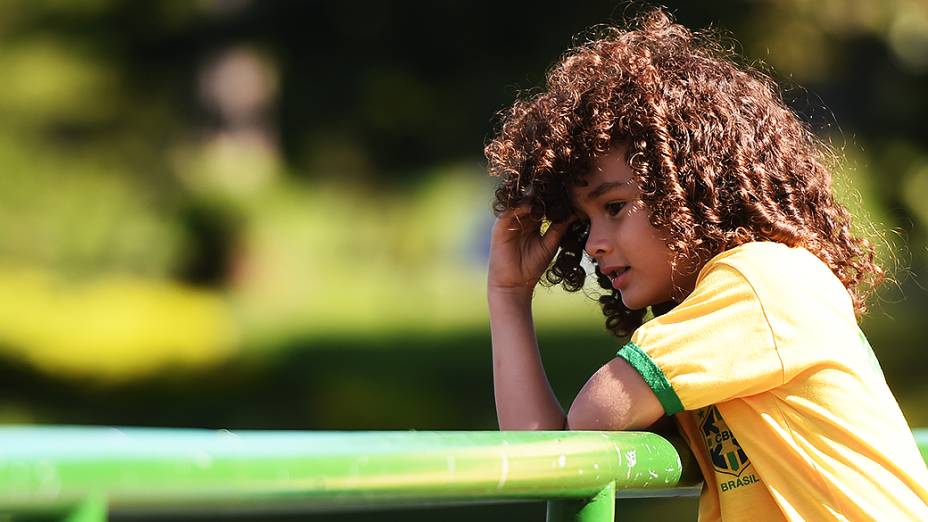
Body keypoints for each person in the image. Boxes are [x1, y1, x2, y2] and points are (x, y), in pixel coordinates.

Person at [483, 7, 928, 521]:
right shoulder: (719, 346)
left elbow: (590, 417)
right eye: (583, 224)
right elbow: (551, 455)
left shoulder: (758, 282)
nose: (594, 244)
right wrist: (509, 295)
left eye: (615, 208)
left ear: (693, 185)